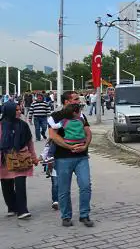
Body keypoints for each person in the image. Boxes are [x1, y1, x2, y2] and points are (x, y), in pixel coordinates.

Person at [48, 91, 94, 227]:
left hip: (82, 157)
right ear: (66, 101)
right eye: (75, 99)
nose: (78, 101)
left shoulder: (81, 115)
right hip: (63, 158)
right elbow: (53, 136)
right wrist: (69, 146)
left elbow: (88, 132)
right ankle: (66, 216)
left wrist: (85, 145)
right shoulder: (56, 116)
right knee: (64, 189)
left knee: (86, 186)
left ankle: (84, 215)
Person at [0, 101, 39, 219]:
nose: (19, 112)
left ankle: (22, 210)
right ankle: (12, 207)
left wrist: (34, 157)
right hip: (4, 159)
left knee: (20, 184)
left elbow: (29, 142)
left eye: (19, 109)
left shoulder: (23, 125)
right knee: (6, 185)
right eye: (16, 110)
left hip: (21, 157)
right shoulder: (1, 125)